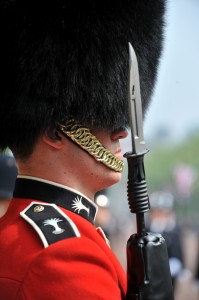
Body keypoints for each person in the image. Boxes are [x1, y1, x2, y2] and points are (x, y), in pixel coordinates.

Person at [0, 1, 166, 299]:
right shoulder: (64, 256)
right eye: (100, 115)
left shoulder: (20, 233)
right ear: (54, 132)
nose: (121, 131)